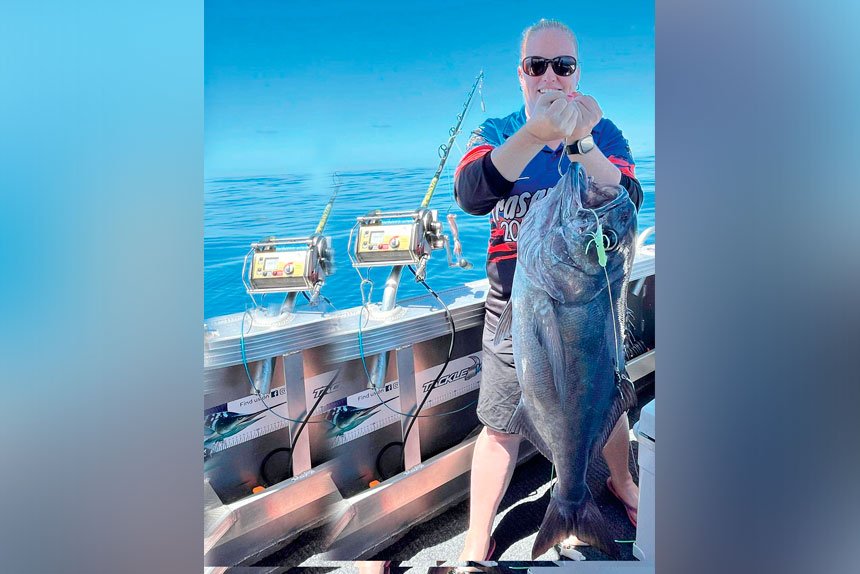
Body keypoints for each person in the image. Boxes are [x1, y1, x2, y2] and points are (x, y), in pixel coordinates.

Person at [451, 18, 643, 565]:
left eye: (564, 66)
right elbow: (471, 192)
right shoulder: (499, 129)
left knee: (604, 403)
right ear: (522, 74)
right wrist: (535, 134)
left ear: (577, 72)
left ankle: (616, 483)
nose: (551, 77)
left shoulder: (601, 132)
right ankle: (476, 532)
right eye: (538, 65)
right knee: (500, 424)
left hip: (590, 309)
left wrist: (580, 140)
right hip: (513, 312)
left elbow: (627, 195)